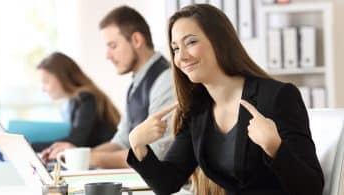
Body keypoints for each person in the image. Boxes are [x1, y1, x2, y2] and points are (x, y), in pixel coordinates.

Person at [127, 4, 324, 195]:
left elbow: (312, 187)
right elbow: (167, 183)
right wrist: (137, 144)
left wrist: (274, 147)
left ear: (219, 41)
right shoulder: (197, 109)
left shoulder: (277, 97)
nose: (182, 57)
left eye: (191, 42)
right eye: (176, 48)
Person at [42, 6, 175, 169]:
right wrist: (81, 155)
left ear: (137, 40)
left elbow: (156, 153)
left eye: (113, 46)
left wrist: (93, 158)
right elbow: (122, 141)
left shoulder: (165, 80)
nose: (107, 55)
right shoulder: (136, 84)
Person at [34, 52, 120, 156]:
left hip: (107, 160)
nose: (43, 89)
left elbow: (75, 141)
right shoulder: (71, 103)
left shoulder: (87, 98)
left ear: (62, 77)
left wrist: (30, 146)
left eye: (46, 82)